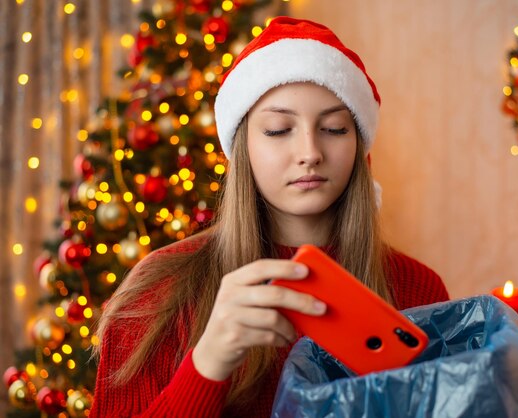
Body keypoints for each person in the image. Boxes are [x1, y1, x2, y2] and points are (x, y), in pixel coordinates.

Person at [91, 16, 449, 418]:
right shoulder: (157, 292)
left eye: (334, 128)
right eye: (279, 130)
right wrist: (207, 365)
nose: (310, 152)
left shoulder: (418, 289)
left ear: (359, 145)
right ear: (242, 147)